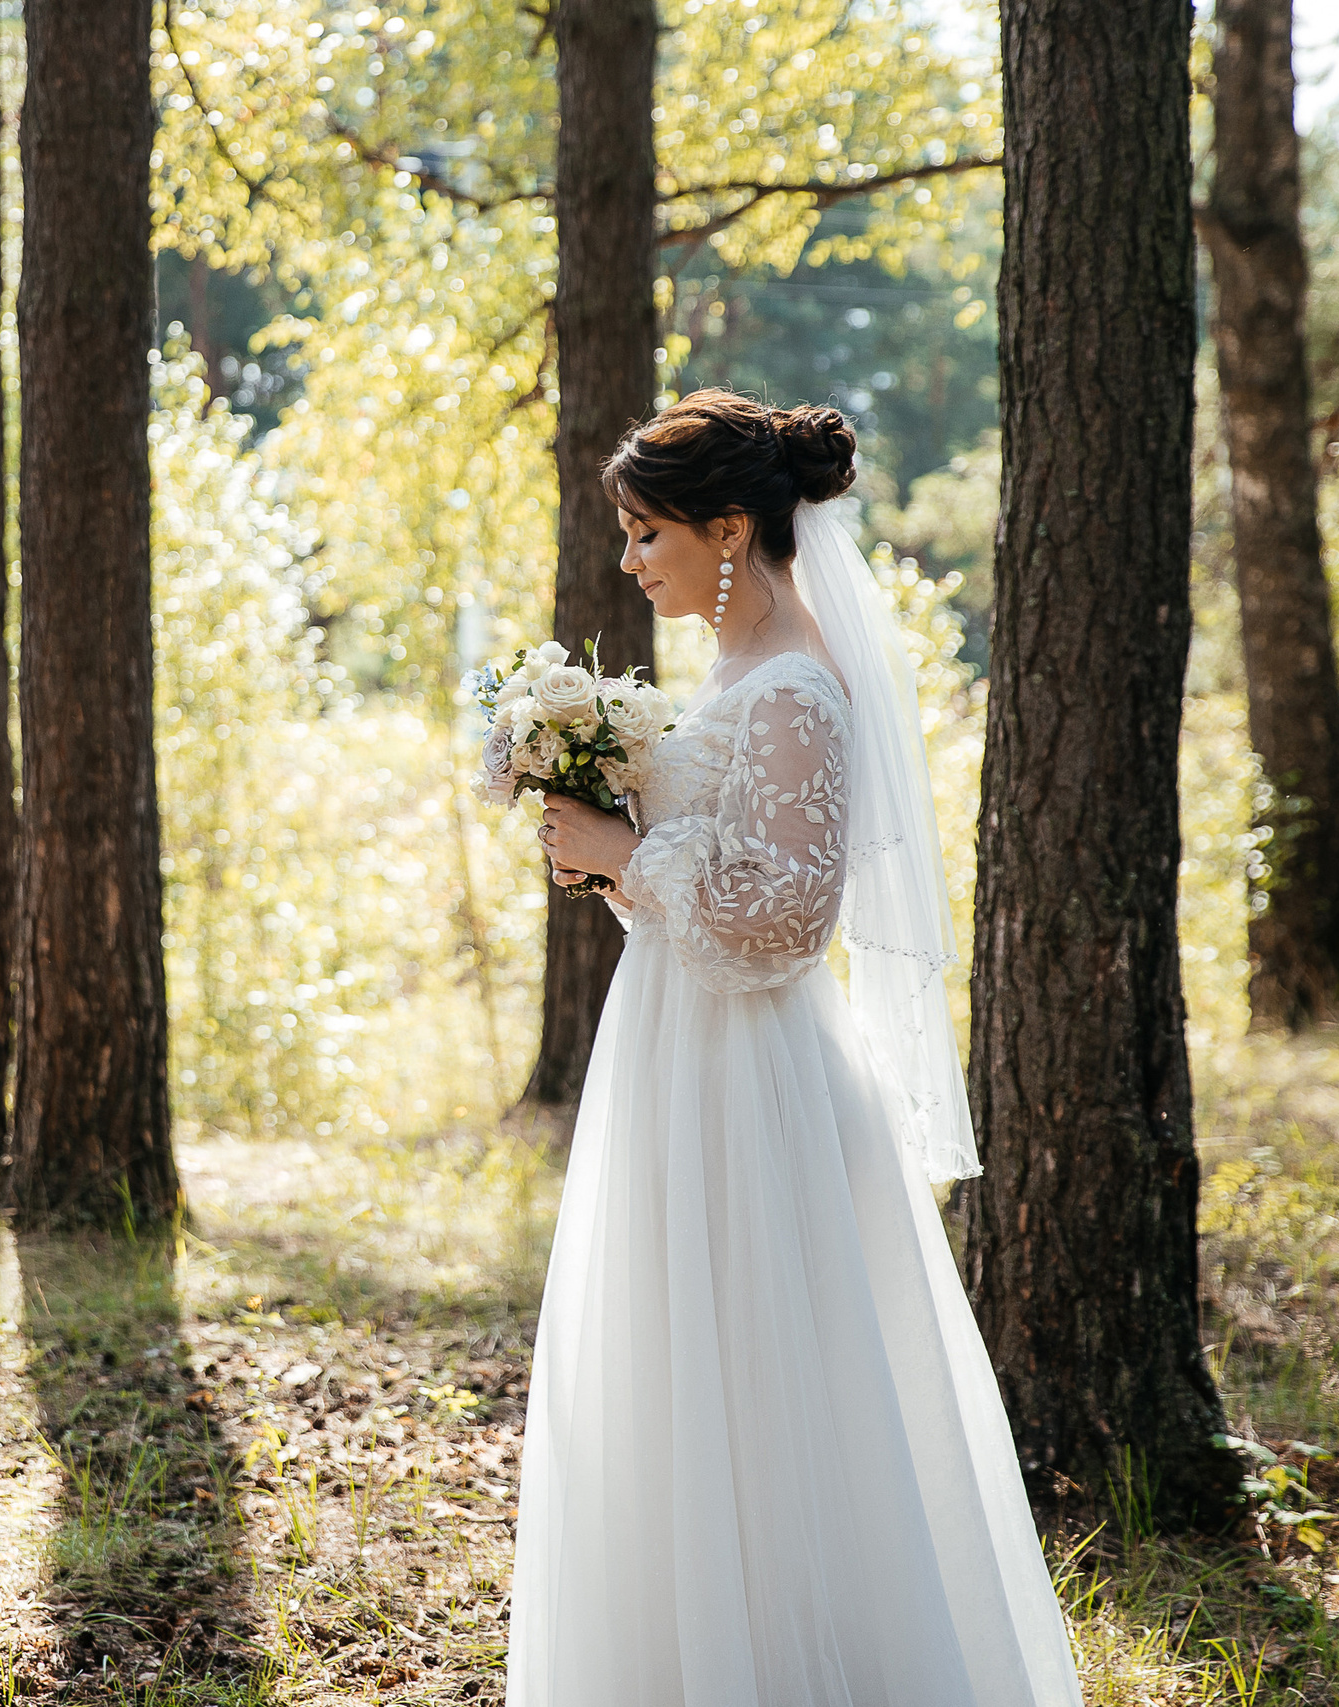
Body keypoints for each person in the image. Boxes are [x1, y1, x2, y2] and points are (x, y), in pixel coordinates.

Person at [516, 390, 1085, 1707]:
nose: (630, 562)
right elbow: (715, 892)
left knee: (765, 1386)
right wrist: (612, 863)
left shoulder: (795, 691)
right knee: (674, 1375)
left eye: (646, 533)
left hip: (752, 1084)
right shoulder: (728, 674)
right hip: (675, 1061)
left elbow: (787, 922)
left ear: (729, 529)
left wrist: (630, 855)